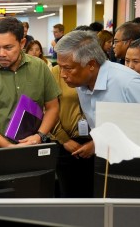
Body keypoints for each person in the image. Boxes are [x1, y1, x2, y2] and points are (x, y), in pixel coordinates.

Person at [55, 30, 140, 160]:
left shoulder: (128, 82)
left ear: (91, 64)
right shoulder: (82, 83)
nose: (62, 74)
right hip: (109, 158)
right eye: (60, 67)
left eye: (68, 68)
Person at [0, 17, 61, 149]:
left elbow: (53, 107)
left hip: (34, 147)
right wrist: (8, 146)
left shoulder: (39, 67)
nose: (1, 54)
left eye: (8, 47)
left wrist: (40, 135)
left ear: (22, 43)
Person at [50, 63, 94, 198]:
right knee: (68, 194)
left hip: (96, 144)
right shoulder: (56, 72)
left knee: (93, 194)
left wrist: (97, 142)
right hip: (65, 142)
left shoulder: (96, 71)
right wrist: (65, 140)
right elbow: (49, 109)